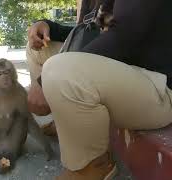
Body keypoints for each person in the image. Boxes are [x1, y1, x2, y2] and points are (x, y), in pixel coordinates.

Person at [26, 0, 172, 179]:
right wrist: (46, 26)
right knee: (38, 49)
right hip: (123, 72)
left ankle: (92, 165)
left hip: (157, 86)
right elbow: (85, 34)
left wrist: (42, 84)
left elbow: (124, 35)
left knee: (59, 70)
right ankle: (67, 122)